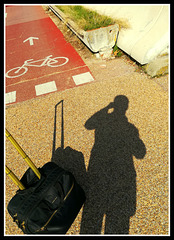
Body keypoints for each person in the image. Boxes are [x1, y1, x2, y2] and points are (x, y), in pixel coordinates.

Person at [80, 95, 146, 234]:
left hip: (98, 167)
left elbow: (88, 124)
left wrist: (105, 109)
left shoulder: (103, 120)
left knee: (94, 212)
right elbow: (140, 153)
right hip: (121, 172)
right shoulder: (130, 129)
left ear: (114, 106)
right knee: (117, 216)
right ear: (126, 108)